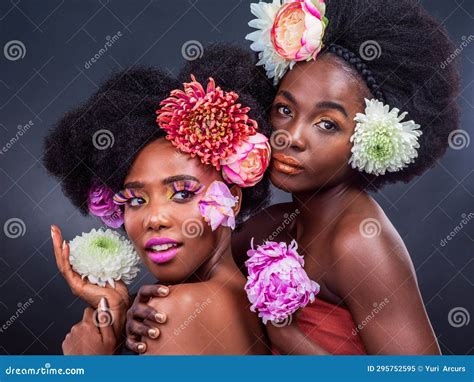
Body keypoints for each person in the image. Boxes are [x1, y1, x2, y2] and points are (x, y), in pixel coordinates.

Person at [128, 0, 460, 355]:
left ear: (368, 140)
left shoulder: (359, 242)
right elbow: (203, 276)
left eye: (327, 124)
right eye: (284, 110)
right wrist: (134, 308)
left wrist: (290, 340)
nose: (291, 136)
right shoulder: (272, 225)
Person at [44, 61, 274, 354]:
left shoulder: (175, 310)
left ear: (233, 198)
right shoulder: (242, 294)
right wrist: (119, 309)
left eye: (181, 194)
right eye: (136, 200)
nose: (154, 219)